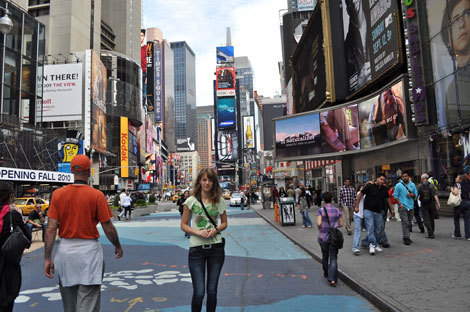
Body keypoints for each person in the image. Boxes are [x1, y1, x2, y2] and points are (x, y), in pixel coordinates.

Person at [44, 154, 123, 312]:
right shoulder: (97, 195)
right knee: (88, 304)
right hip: (89, 253)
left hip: (65, 252)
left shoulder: (58, 195)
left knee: (69, 305)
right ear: (89, 171)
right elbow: (108, 226)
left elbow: (51, 228)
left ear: (72, 170)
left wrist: (47, 257)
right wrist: (117, 245)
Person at [181, 168, 228, 312]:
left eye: (210, 180)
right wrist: (198, 232)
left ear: (214, 182)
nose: (207, 183)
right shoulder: (191, 201)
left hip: (216, 249)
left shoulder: (219, 200)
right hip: (196, 250)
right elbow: (183, 225)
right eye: (204, 180)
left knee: (212, 290)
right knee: (199, 292)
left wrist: (216, 229)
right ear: (199, 182)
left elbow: (224, 223)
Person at [0, 181, 31, 311]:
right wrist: (20, 216)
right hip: (7, 269)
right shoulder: (13, 215)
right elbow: (27, 241)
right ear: (9, 196)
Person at [441, 0, 470, 126]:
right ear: (448, 39)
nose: (462, 24)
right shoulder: (452, 91)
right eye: (455, 20)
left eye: (467, 14)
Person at [355, 174, 392, 255]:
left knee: (378, 229)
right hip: (368, 211)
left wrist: (391, 208)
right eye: (381, 179)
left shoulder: (384, 188)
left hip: (378, 212)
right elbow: (360, 195)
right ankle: (373, 245)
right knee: (370, 228)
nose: (382, 181)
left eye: (383, 180)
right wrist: (357, 206)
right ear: (377, 179)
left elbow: (387, 198)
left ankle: (368, 243)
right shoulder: (369, 186)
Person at [317, 192, 343, 287]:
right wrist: (334, 225)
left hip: (323, 237)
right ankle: (332, 279)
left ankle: (326, 272)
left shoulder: (321, 210)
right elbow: (341, 224)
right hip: (334, 237)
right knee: (333, 258)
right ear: (332, 199)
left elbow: (319, 223)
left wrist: (321, 226)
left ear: (323, 199)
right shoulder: (336, 210)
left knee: (325, 255)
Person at [344, 0, 371, 92]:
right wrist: (359, 82)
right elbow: (348, 86)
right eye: (350, 2)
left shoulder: (375, 18)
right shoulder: (346, 46)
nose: (354, 2)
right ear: (347, 9)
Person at [393, 172, 420, 245]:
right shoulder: (398, 185)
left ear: (408, 177)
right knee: (405, 222)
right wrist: (400, 204)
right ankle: (406, 237)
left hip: (411, 206)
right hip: (403, 206)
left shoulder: (412, 184)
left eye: (406, 176)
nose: (404, 177)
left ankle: (407, 236)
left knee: (409, 222)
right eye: (403, 176)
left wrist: (412, 194)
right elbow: (395, 196)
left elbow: (416, 194)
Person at [417, 174, 441, 239]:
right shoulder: (431, 185)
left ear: (422, 178)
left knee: (426, 219)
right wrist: (438, 203)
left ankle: (430, 233)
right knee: (431, 218)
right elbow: (435, 194)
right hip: (431, 203)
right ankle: (432, 231)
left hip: (424, 204)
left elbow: (416, 194)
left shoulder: (420, 186)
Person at [352, 185, 365, 255]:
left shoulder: (367, 194)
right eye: (361, 187)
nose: (363, 188)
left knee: (371, 230)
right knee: (358, 230)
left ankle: (365, 242)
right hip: (357, 214)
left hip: (366, 215)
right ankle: (355, 247)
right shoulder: (359, 193)